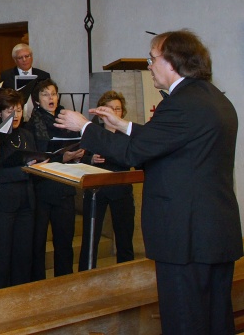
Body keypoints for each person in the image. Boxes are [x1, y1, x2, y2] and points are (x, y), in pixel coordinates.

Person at [56, 30, 242, 335]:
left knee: (186, 323)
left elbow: (135, 153)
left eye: (152, 59)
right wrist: (124, 125)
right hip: (214, 233)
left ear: (172, 62)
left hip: (185, 238)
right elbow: (170, 140)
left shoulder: (181, 103)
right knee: (215, 321)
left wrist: (86, 127)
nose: (149, 65)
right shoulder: (213, 98)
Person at [27, 79, 84, 280]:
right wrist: (62, 156)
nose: (51, 98)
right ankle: (38, 284)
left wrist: (80, 152)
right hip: (42, 189)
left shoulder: (68, 118)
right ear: (37, 100)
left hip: (64, 187)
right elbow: (37, 153)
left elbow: (79, 140)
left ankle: (65, 282)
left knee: (64, 241)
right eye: (45, 94)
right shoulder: (33, 122)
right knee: (38, 242)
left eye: (53, 93)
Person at [0, 88, 36, 291]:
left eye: (19, 110)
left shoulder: (26, 135)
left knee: (23, 257)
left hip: (26, 203)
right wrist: (25, 171)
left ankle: (20, 301)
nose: (15, 115)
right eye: (9, 111)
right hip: (1, 205)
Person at [76, 90, 135, 271]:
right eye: (110, 108)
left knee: (124, 239)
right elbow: (80, 158)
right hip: (96, 190)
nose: (114, 112)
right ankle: (86, 276)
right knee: (90, 237)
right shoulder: (94, 132)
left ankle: (126, 276)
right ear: (102, 111)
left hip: (121, 189)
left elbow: (132, 159)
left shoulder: (128, 133)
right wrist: (91, 159)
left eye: (118, 109)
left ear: (122, 112)